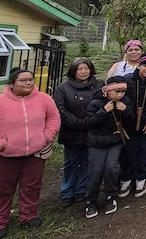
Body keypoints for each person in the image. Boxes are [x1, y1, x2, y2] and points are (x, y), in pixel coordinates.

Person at [0, 69, 60, 239]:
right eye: (23, 80)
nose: (28, 83)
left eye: (30, 79)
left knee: (32, 186)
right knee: (2, 189)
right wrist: (0, 144)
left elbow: (53, 117)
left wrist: (46, 136)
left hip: (35, 152)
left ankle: (28, 216)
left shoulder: (44, 99)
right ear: (12, 83)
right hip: (5, 155)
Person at [53, 58, 103, 208]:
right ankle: (67, 191)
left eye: (86, 69)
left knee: (87, 161)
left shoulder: (99, 85)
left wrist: (92, 121)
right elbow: (61, 109)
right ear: (73, 71)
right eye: (80, 69)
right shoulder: (63, 88)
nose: (83, 72)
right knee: (71, 162)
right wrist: (78, 123)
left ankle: (82, 189)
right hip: (72, 130)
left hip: (93, 129)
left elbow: (103, 104)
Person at [82, 78, 134, 219]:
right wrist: (103, 111)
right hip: (96, 142)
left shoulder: (125, 102)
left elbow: (132, 121)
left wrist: (126, 111)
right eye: (117, 91)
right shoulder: (95, 102)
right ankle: (91, 200)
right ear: (108, 90)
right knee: (96, 170)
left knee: (112, 167)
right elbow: (89, 123)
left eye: (123, 91)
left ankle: (111, 196)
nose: (120, 95)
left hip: (115, 140)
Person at [119, 54, 146, 198]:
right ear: (139, 66)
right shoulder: (128, 80)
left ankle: (141, 178)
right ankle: (126, 178)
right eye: (145, 65)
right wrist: (128, 118)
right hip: (130, 123)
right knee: (129, 152)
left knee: (145, 151)